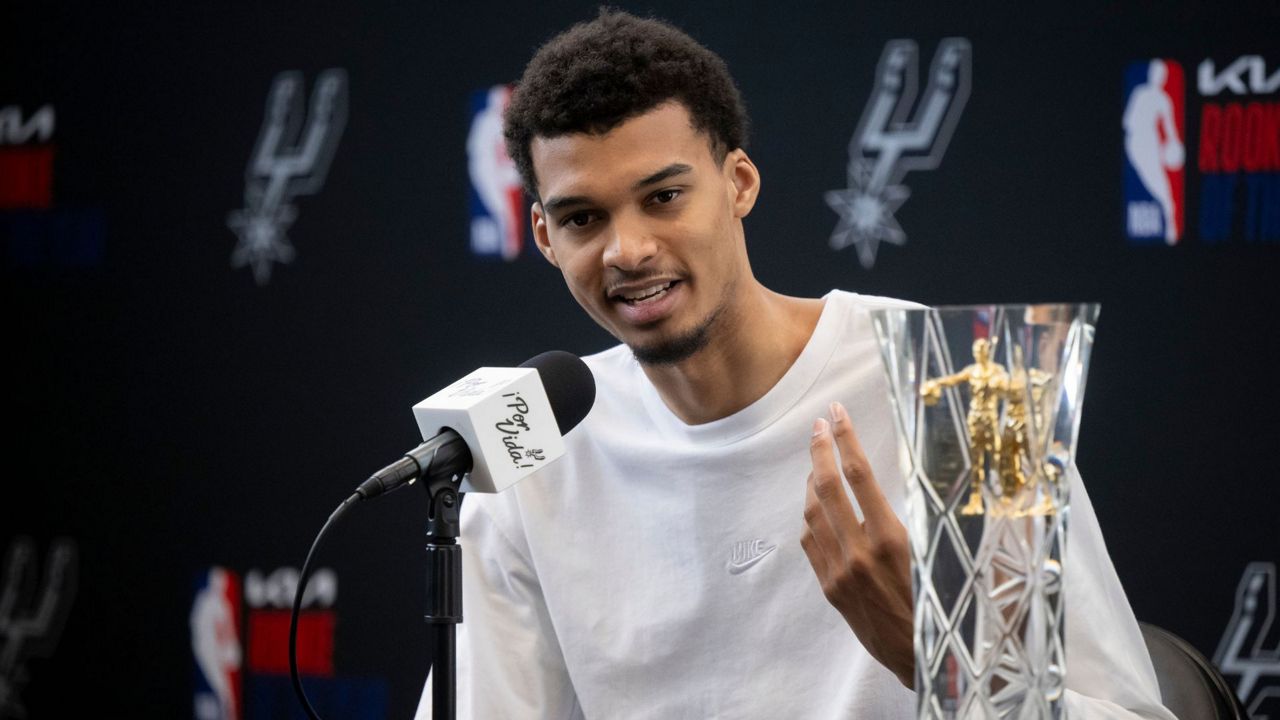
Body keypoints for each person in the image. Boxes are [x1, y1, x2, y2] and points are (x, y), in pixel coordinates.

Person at [417, 10, 1174, 719]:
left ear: (739, 183)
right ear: (545, 237)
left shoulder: (965, 384)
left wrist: (943, 657)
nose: (628, 250)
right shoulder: (529, 446)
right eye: (585, 218)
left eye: (664, 196)